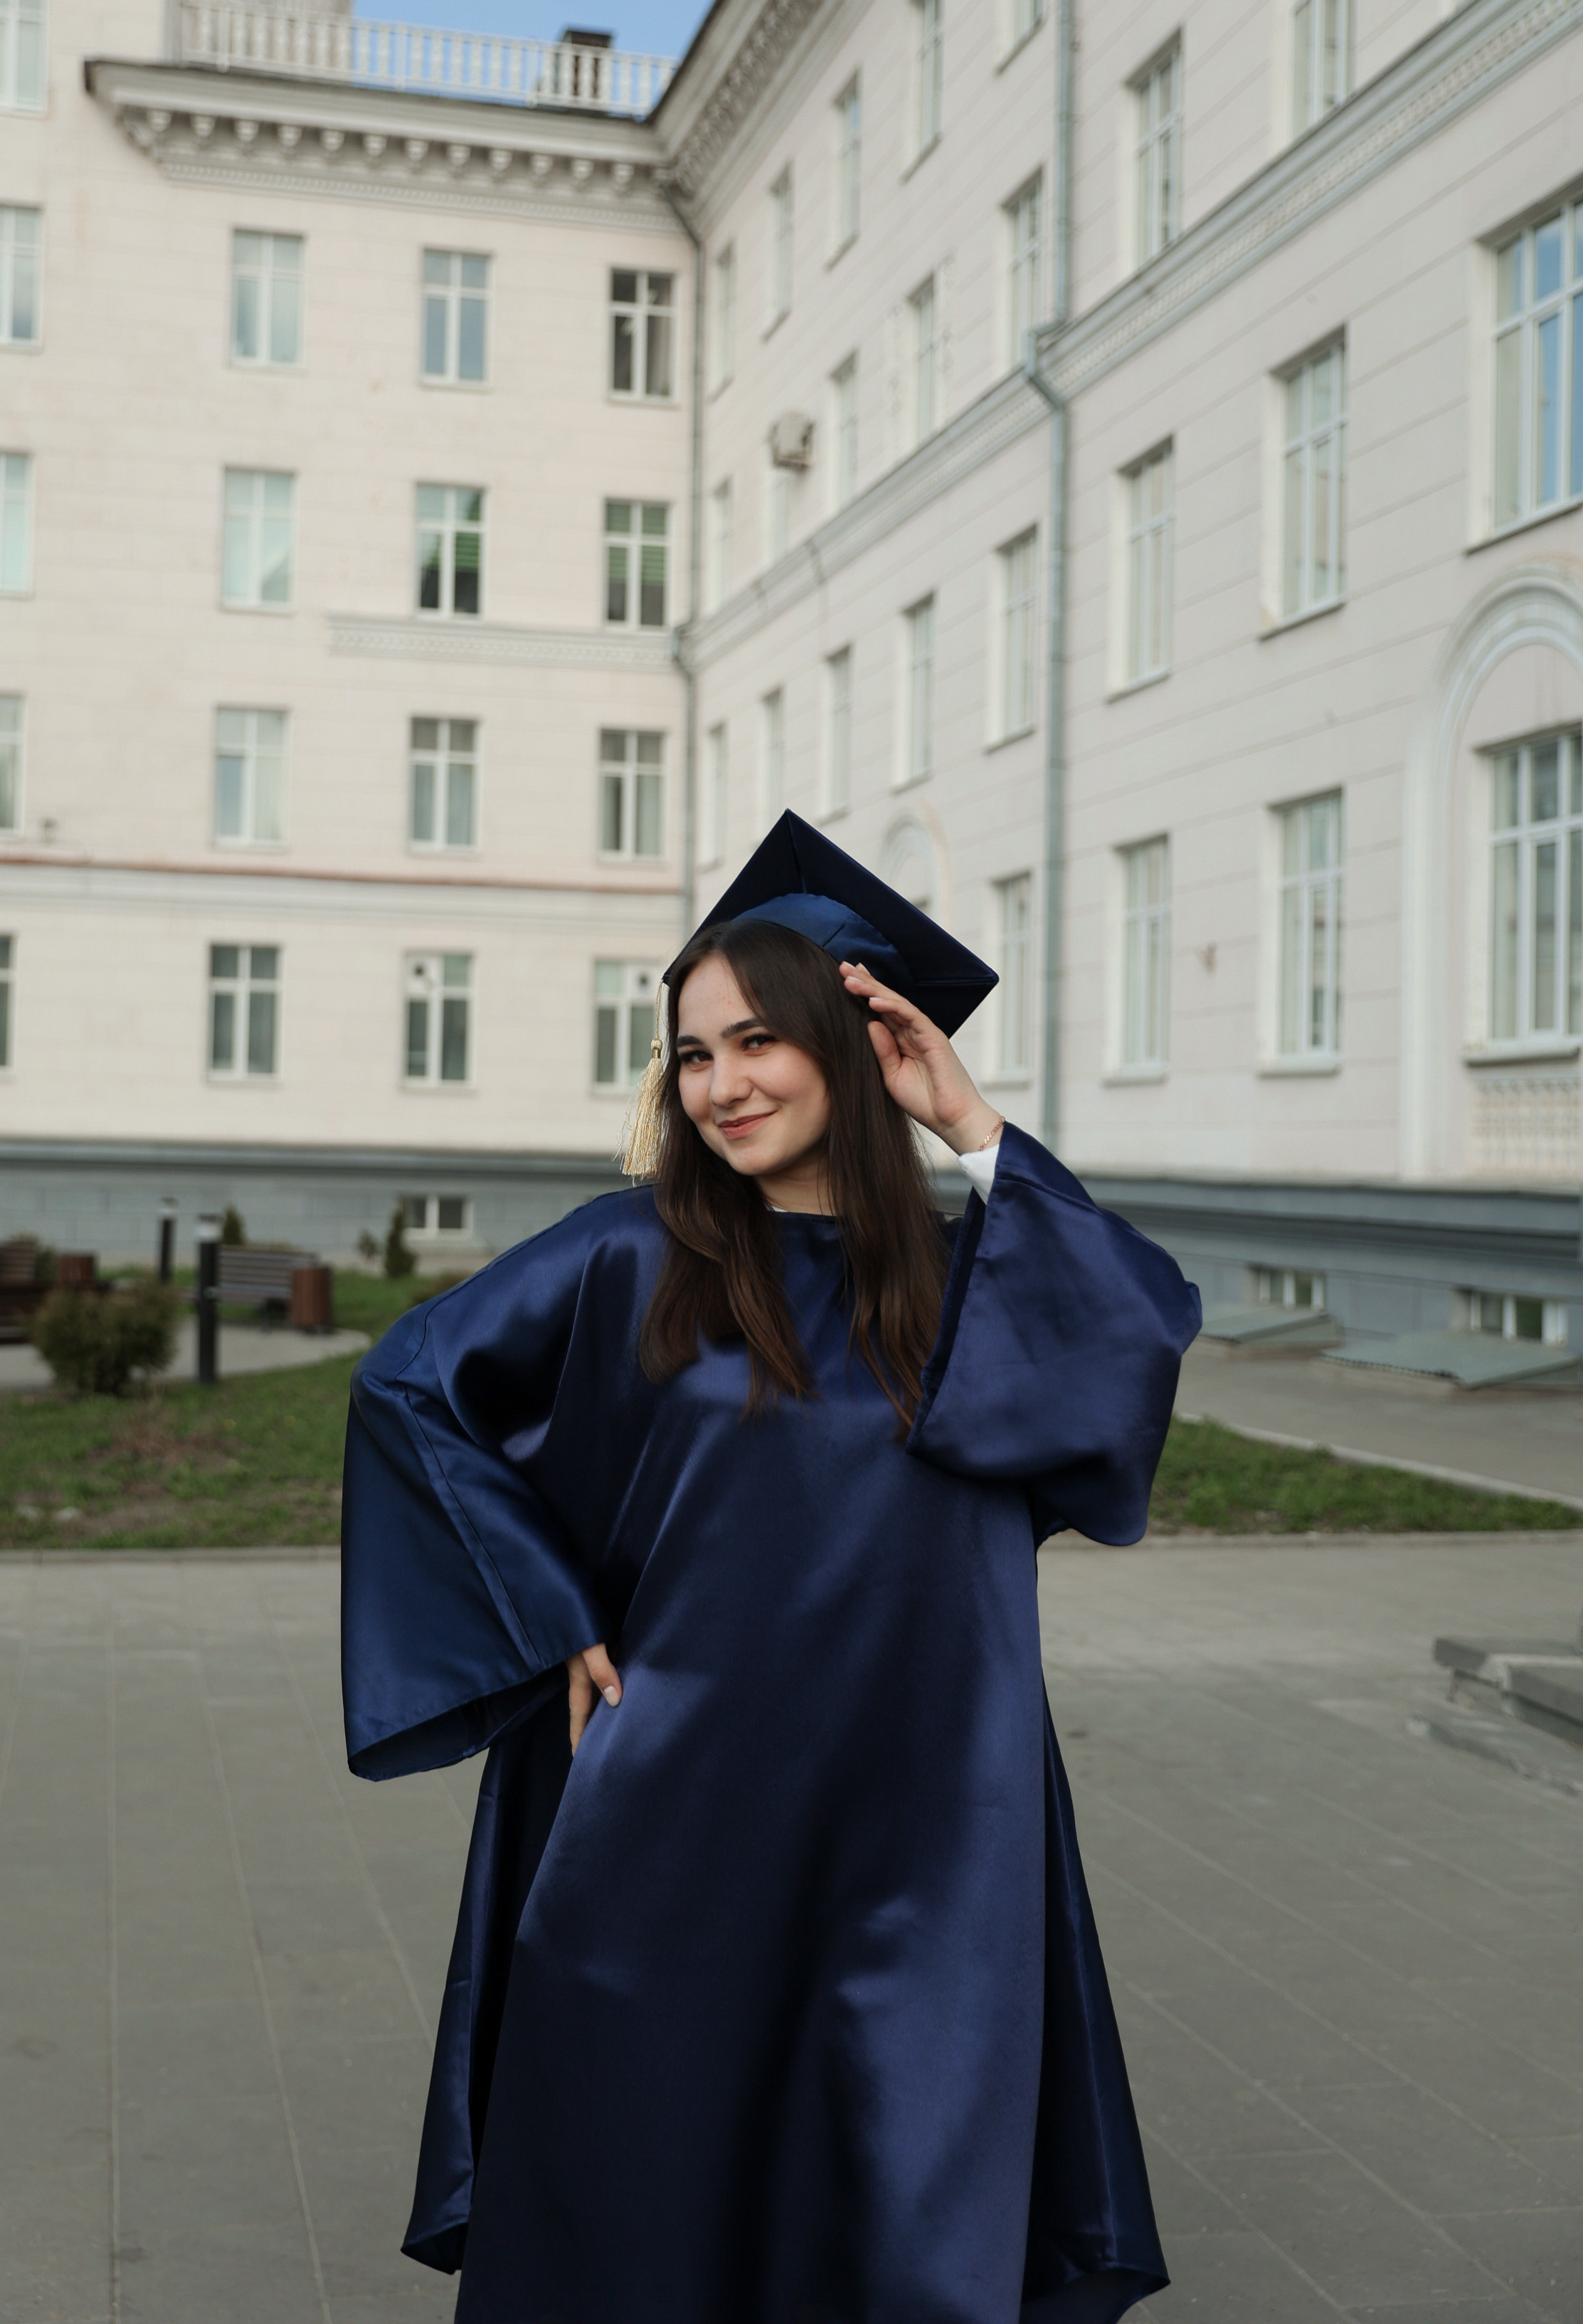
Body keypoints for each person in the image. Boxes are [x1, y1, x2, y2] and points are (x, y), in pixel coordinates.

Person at [341, 811, 1202, 2324]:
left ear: (849, 1045)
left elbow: (1125, 1346)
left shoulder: (963, 1279)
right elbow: (407, 1389)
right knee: (654, 2155)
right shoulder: (632, 1254)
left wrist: (975, 1127)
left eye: (757, 1042)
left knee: (899, 2150)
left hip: (922, 1810)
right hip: (677, 1794)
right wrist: (545, 1614)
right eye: (690, 1053)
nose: (721, 1083)